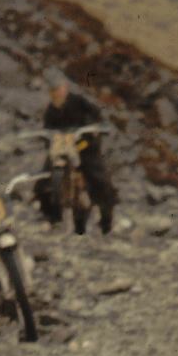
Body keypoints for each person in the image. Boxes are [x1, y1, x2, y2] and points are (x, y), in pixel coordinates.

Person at [38, 67, 117, 235]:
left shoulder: (79, 102)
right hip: (62, 148)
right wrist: (48, 140)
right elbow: (47, 132)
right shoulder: (51, 110)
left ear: (65, 88)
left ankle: (106, 220)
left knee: (99, 179)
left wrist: (97, 128)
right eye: (53, 90)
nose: (56, 93)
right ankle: (51, 216)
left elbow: (97, 116)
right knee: (43, 180)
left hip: (84, 146)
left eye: (58, 89)